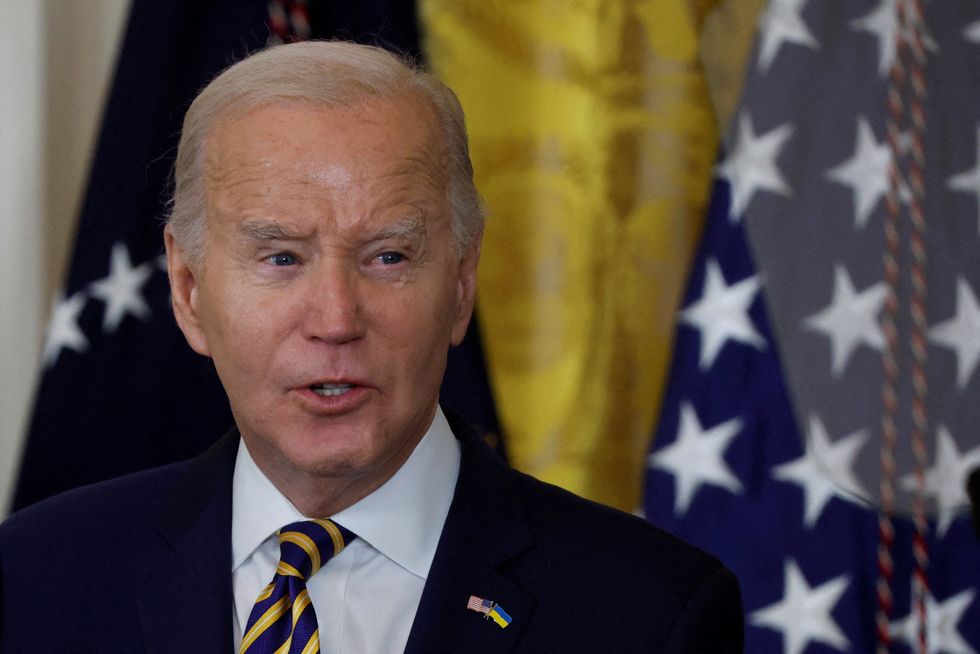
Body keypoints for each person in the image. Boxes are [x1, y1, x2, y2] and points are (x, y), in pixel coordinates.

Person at [0, 41, 743, 652]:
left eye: (388, 256)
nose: (334, 318)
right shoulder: (35, 579)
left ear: (459, 283)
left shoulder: (652, 614)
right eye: (281, 257)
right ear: (189, 291)